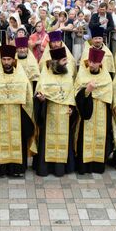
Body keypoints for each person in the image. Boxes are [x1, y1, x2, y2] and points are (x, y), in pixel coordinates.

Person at [0, 45, 36, 177]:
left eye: (9, 59)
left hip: (19, 115)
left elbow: (28, 95)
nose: (6, 62)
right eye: (4, 59)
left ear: (13, 60)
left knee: (20, 139)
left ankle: (18, 169)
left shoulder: (21, 75)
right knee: (1, 140)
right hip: (1, 115)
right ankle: (3, 169)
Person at [33, 47, 77, 177]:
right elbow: (39, 93)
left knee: (64, 140)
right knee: (47, 141)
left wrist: (72, 108)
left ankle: (61, 168)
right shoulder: (46, 75)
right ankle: (45, 168)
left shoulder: (68, 74)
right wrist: (40, 100)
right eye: (64, 60)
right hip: (49, 114)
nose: (66, 62)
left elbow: (71, 94)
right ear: (57, 61)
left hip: (64, 115)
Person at [74, 48, 113, 174]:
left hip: (101, 111)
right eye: (90, 61)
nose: (91, 64)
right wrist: (87, 91)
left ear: (100, 63)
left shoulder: (106, 77)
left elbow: (109, 96)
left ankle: (97, 165)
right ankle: (84, 166)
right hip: (85, 113)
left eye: (94, 62)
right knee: (84, 138)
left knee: (101, 136)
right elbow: (76, 94)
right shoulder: (82, 75)